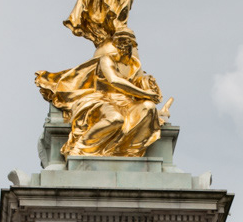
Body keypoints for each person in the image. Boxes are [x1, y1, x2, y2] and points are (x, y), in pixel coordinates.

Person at [36, 29, 173, 158]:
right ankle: (78, 148)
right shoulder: (107, 59)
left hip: (128, 103)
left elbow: (142, 91)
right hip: (104, 100)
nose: (123, 46)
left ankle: (125, 150)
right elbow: (115, 81)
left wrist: (155, 106)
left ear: (133, 45)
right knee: (116, 119)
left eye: (126, 42)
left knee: (149, 107)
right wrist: (145, 93)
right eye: (119, 42)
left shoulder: (135, 65)